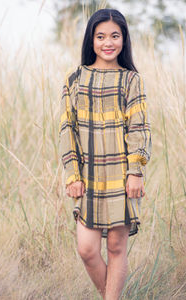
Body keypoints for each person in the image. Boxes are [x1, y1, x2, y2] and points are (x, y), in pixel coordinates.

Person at [58, 8, 152, 300]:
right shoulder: (74, 78)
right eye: (100, 36)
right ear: (91, 40)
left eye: (115, 35)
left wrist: (135, 171)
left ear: (124, 39)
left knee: (115, 248)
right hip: (87, 177)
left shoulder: (131, 80)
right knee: (87, 250)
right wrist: (72, 173)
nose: (107, 42)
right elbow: (66, 129)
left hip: (121, 177)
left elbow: (139, 127)